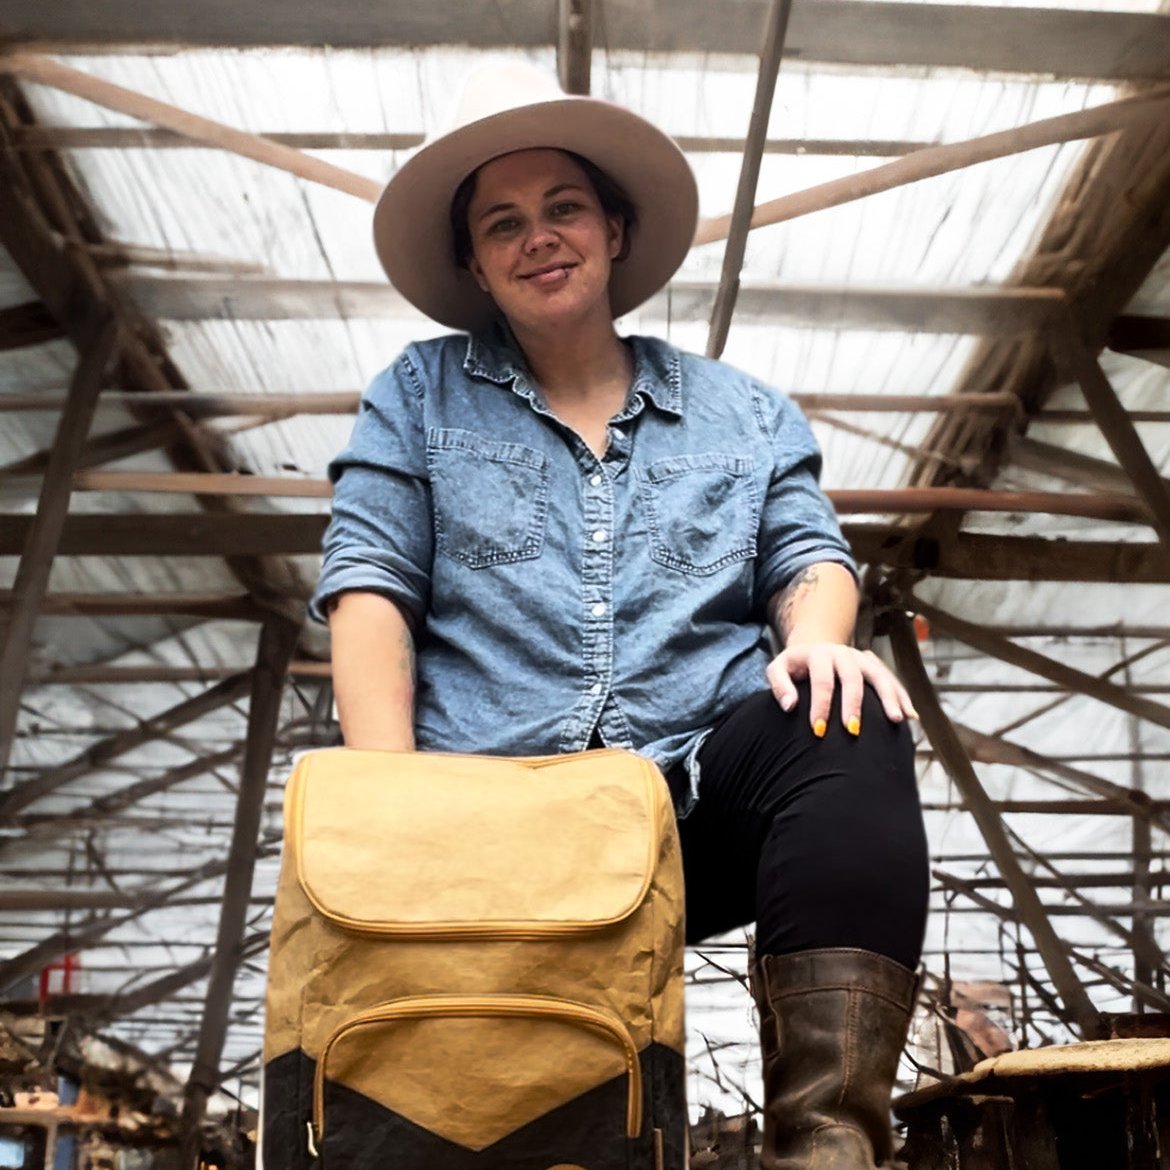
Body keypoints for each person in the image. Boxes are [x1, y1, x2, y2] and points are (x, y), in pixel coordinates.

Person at [311, 63, 930, 1170]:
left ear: (614, 229)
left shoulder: (743, 413)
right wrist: (392, 815)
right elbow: (371, 587)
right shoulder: (419, 394)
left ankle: (828, 1143)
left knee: (850, 716)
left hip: (693, 809)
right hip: (489, 823)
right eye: (502, 223)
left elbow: (809, 558)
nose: (536, 236)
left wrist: (821, 640)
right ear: (473, 263)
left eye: (562, 209)